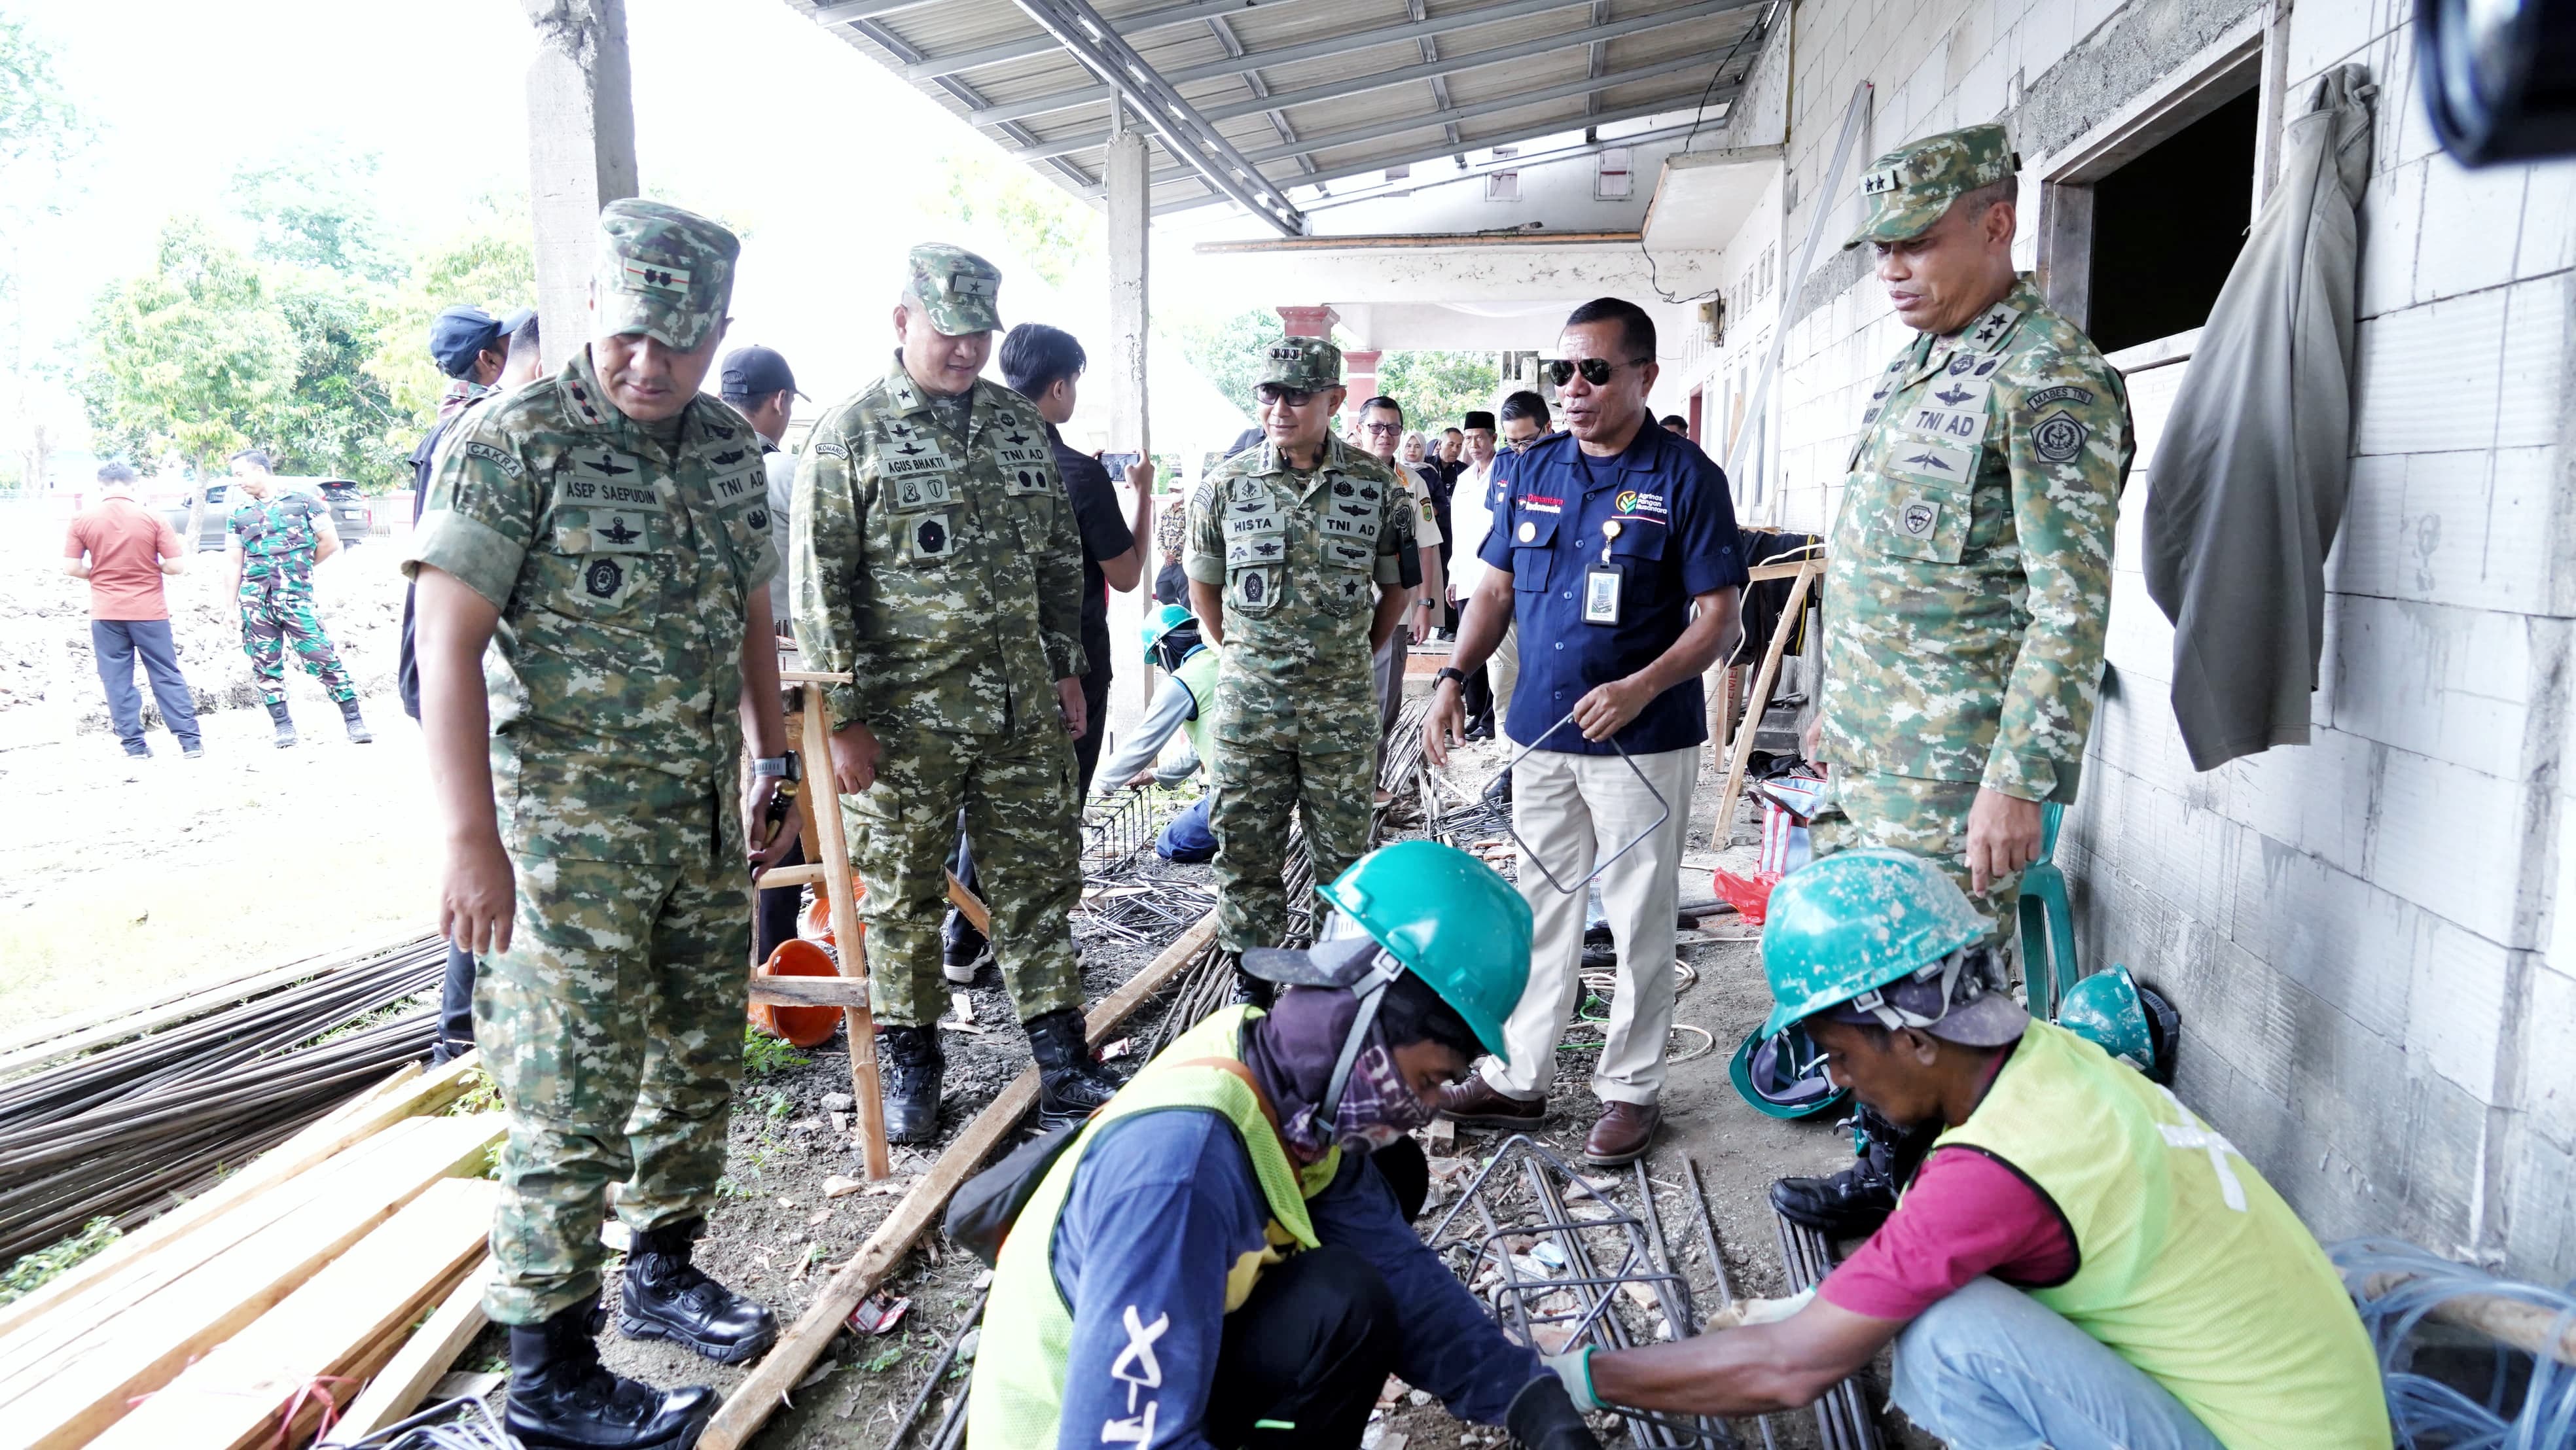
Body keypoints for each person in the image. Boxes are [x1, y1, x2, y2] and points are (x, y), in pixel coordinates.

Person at [1543, 849, 2389, 1449]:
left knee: (1946, 1331)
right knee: (1936, 1297)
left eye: (1841, 1054)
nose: (1840, 1083)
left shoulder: (1990, 1172)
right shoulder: (2055, 1066)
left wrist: (1579, 1377)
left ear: (1911, 1039)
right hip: (2297, 1419)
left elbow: (1788, 1372)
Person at [409, 199, 798, 1450]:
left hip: (696, 819)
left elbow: (749, 603)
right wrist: (472, 840)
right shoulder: (509, 441)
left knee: (697, 1057)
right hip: (561, 837)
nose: (650, 366)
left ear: (719, 334)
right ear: (591, 309)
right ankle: (550, 1377)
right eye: (632, 336)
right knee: (567, 1099)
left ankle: (664, 1268)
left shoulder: (730, 449)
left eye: (680, 347)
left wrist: (771, 749)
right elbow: (446, 649)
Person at [1778, 123, 2135, 1240]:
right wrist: (1837, 723)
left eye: (1917, 245)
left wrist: (2017, 780)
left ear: (1997, 224)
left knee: (1936, 1008)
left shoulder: (2048, 377)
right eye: (1880, 249)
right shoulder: (1922, 362)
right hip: (1876, 759)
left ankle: (1963, 1221)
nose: (1894, 270)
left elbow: (2068, 601)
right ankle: (1891, 1176)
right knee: (1872, 996)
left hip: (1955, 775)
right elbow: (1881, 569)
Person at [968, 841, 1605, 1450]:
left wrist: (1524, 1392)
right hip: (1080, 1429)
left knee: (1377, 1218)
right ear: (1360, 1026)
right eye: (1427, 1080)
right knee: (1342, 1297)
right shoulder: (1180, 1173)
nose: (1426, 1108)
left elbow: (1400, 1272)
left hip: (1137, 1384)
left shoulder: (1280, 1086)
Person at [793, 245, 1122, 1142]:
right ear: (902, 321)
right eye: (950, 330)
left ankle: (1062, 1064)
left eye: (980, 332)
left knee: (1038, 884)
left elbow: (1060, 556)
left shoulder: (1019, 429)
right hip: (904, 726)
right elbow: (820, 582)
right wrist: (843, 719)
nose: (967, 350)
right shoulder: (851, 432)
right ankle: (914, 1072)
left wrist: (1066, 667)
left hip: (1019, 711)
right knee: (899, 898)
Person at [1424, 298, 1747, 1167]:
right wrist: (1455, 678)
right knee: (1541, 905)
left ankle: (1633, 1090)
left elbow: (1719, 620)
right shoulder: (1532, 470)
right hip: (1543, 731)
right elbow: (1491, 592)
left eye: (1595, 371)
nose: (1573, 387)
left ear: (1643, 375)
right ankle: (1521, 1074)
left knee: (1641, 913)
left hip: (1644, 741)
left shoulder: (1686, 476)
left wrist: (1641, 687)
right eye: (1561, 370)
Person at [1185, 339, 1418, 988]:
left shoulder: (1379, 488)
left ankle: (1330, 984)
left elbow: (1398, 586)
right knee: (1246, 848)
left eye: (1297, 393)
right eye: (1268, 392)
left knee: (1344, 855)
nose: (1280, 406)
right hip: (1249, 711)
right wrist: (1239, 650)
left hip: (1339, 710)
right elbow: (1203, 585)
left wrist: (1354, 653)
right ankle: (1252, 985)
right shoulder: (1224, 487)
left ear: (1334, 400)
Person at [937, 322, 1154, 983]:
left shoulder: (963, 457)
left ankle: (961, 938)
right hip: (1070, 665)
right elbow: (1124, 573)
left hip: (979, 667)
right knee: (1055, 810)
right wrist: (1142, 494)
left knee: (984, 800)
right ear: (1059, 385)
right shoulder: (1076, 473)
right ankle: (1033, 949)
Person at [404, 309, 544, 1066]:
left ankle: (461, 1033)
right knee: (485, 854)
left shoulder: (459, 425)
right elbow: (444, 634)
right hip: (467, 679)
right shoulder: (490, 438)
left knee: (496, 855)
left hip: (465, 674)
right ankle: (458, 1038)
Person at [722, 343, 815, 978]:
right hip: (779, 670)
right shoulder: (785, 473)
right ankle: (774, 953)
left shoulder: (698, 463)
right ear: (779, 401)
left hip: (706, 675)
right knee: (778, 805)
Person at [226, 448, 368, 749]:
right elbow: (233, 562)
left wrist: (298, 569)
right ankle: (283, 728)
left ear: (260, 470)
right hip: (255, 601)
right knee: (265, 664)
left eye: (240, 474)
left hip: (296, 598)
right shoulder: (239, 514)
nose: (236, 481)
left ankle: (354, 721)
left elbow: (329, 543)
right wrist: (229, 606)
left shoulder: (304, 502)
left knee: (322, 656)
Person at [65, 461, 200, 760]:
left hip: (106, 611)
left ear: (99, 485)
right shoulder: (153, 517)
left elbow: (72, 568)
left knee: (116, 678)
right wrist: (155, 567)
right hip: (149, 611)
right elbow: (176, 567)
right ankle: (190, 743)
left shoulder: (81, 519)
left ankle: (134, 747)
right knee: (166, 673)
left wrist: (100, 573)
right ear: (134, 485)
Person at [1356, 397, 1444, 749]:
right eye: (1376, 427)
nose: (1385, 435)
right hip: (1344, 601)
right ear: (1360, 430)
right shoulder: (1338, 476)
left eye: (1393, 428)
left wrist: (1424, 603)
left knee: (1387, 692)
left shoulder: (1413, 482)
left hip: (1396, 601)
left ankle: (1373, 779)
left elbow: (1424, 546)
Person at [1446, 410, 1503, 741]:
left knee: (1493, 647)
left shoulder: (1505, 472)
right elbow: (1458, 532)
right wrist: (1453, 575)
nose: (1474, 444)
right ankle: (1477, 712)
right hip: (1466, 575)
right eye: (1469, 438)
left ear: (1494, 438)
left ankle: (1493, 718)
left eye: (1480, 437)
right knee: (1470, 647)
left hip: (1494, 577)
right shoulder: (1466, 480)